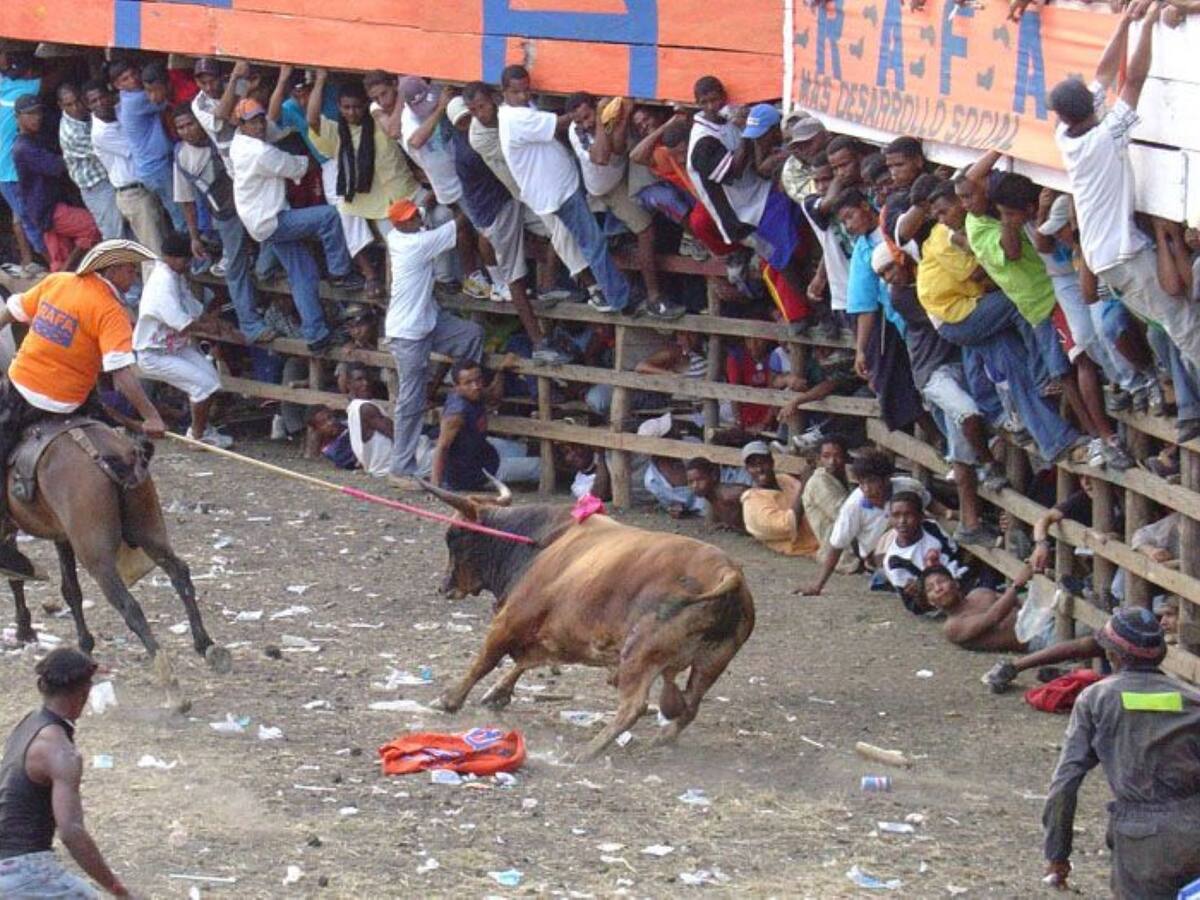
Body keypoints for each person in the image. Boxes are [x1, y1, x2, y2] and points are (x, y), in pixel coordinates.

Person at [0, 238, 166, 575]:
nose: (133, 276)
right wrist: (150, 416)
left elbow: (12, 312)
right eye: (130, 270)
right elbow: (122, 374)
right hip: (71, 401)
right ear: (112, 271)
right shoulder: (111, 311)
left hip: (24, 390)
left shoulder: (57, 281)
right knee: (117, 445)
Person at [1051, 2, 1200, 373]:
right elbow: (1133, 80)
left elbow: (1103, 74)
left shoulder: (1066, 134)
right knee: (1182, 325)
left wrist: (1124, 25)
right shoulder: (1104, 139)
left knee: (1179, 320)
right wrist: (1146, 24)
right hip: (1121, 256)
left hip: (1108, 252)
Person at [1041, 606, 1200, 897]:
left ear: (1112, 655)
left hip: (1141, 838)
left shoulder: (1096, 699)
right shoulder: (1193, 699)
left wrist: (1057, 853)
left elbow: (1065, 784)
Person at [229, 97, 363, 352]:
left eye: (260, 120)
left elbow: (275, 130)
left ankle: (315, 335)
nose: (259, 126)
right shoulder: (260, 152)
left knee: (303, 274)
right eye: (252, 122)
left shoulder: (238, 143)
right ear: (241, 125)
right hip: (273, 220)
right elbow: (297, 167)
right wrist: (317, 155)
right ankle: (340, 273)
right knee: (329, 216)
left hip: (261, 221)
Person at [0, 647, 136, 898]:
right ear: (84, 693)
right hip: (22, 868)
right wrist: (118, 889)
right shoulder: (61, 752)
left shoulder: (28, 723)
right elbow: (71, 832)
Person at [497, 65, 632, 314]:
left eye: (527, 90)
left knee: (592, 237)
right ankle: (619, 298)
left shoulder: (522, 109)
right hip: (559, 193)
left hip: (565, 184)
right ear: (504, 91)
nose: (524, 96)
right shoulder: (515, 118)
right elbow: (559, 123)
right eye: (517, 92)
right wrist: (590, 112)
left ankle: (614, 288)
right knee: (593, 243)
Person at [687, 76, 811, 320]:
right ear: (698, 104)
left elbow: (759, 166)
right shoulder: (702, 141)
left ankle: (806, 307)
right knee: (779, 255)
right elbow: (732, 172)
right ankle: (804, 313)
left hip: (761, 196)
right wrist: (747, 132)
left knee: (797, 236)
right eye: (705, 102)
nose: (712, 106)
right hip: (741, 215)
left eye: (715, 99)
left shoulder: (728, 119)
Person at [382, 199, 483, 490]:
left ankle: (458, 394)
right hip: (408, 333)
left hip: (428, 319)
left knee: (471, 334)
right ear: (399, 224)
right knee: (411, 401)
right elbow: (459, 224)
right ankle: (400, 468)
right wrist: (466, 198)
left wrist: (430, 196)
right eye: (410, 218)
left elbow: (424, 209)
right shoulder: (415, 244)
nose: (417, 218)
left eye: (416, 214)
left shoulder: (403, 232)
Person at [565, 94, 682, 320]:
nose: (585, 124)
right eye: (580, 120)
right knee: (645, 229)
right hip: (607, 188)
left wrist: (625, 113)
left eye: (587, 117)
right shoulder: (576, 132)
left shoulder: (612, 113)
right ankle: (654, 298)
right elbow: (601, 156)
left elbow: (619, 148)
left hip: (623, 170)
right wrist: (600, 120)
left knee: (660, 192)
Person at [309, 68, 419, 298]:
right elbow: (312, 120)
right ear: (339, 107)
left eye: (357, 107)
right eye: (346, 107)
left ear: (366, 104)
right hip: (361, 196)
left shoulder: (379, 120)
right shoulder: (337, 132)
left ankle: (400, 293)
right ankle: (370, 276)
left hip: (396, 194)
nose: (352, 112)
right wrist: (320, 81)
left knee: (400, 251)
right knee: (344, 211)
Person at [171, 103, 275, 343]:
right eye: (181, 128)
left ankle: (263, 271)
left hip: (255, 204)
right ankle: (251, 325)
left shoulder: (223, 138)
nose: (187, 131)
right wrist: (194, 237)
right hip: (226, 214)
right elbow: (186, 201)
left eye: (190, 124)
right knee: (235, 269)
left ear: (200, 122)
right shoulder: (182, 156)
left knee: (268, 259)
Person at [132, 231, 231, 448]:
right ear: (175, 258)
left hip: (174, 347)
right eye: (186, 260)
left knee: (212, 381)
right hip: (154, 353)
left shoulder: (175, 276)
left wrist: (213, 322)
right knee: (202, 387)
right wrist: (208, 328)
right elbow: (180, 322)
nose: (188, 264)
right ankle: (197, 437)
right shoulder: (162, 282)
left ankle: (202, 429)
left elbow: (193, 307)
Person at [800, 451, 929, 595]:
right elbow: (837, 545)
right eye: (861, 483)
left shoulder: (908, 486)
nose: (866, 489)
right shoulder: (853, 506)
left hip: (914, 542)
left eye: (871, 481)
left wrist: (947, 513)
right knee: (898, 530)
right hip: (879, 554)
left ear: (887, 479)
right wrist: (818, 586)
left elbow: (929, 503)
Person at [11, 94, 100, 272]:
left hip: (47, 209)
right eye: (30, 114)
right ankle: (68, 271)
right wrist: (74, 151)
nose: (36, 117)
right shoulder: (24, 147)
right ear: (18, 117)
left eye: (38, 112)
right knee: (92, 226)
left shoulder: (35, 139)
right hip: (49, 210)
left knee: (59, 260)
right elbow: (56, 166)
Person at [86, 80, 167, 256]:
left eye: (102, 97)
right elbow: (137, 147)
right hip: (132, 194)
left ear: (110, 96)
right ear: (89, 106)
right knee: (154, 253)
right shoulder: (100, 133)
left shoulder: (119, 111)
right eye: (93, 101)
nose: (100, 103)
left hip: (145, 188)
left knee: (164, 246)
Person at [431, 358, 538, 491]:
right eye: (468, 383)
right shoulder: (457, 413)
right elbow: (442, 448)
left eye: (478, 380)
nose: (475, 386)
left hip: (485, 453)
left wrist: (501, 371)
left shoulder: (474, 393)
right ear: (457, 387)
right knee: (539, 467)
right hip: (477, 473)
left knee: (527, 449)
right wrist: (435, 487)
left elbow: (494, 396)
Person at [110, 60, 186, 233]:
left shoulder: (126, 97)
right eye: (125, 79)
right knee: (179, 211)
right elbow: (165, 97)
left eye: (133, 74)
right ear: (117, 85)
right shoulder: (136, 100)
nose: (133, 80)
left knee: (174, 209)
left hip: (150, 168)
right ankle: (191, 246)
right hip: (156, 167)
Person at [875, 492, 967, 614]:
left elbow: (953, 553)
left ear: (921, 516)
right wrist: (920, 592)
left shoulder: (931, 527)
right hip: (932, 601)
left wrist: (954, 578)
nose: (902, 521)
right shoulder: (894, 561)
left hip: (956, 579)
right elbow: (913, 604)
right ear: (890, 518)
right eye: (896, 516)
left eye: (908, 515)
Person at [56, 83, 122, 241]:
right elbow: (108, 147)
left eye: (77, 101)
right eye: (69, 105)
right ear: (61, 106)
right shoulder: (71, 133)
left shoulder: (86, 115)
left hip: (109, 179)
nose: (76, 107)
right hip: (97, 188)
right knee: (115, 236)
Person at [0, 50, 46, 275]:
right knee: (30, 218)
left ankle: (28, 262)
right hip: (11, 171)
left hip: (4, 169)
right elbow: (55, 78)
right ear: (29, 72)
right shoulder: (26, 89)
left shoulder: (5, 85)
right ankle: (51, 262)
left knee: (19, 217)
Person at [739, 441, 819, 556]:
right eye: (753, 466)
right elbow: (787, 526)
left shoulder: (784, 479)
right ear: (747, 469)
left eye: (763, 463)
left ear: (772, 462)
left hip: (819, 536)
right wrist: (804, 486)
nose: (759, 469)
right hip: (805, 547)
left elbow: (811, 499)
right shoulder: (752, 502)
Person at [801, 435, 850, 553]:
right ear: (819, 459)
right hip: (840, 553)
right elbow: (843, 516)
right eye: (826, 456)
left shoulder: (836, 478)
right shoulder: (819, 482)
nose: (832, 461)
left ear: (845, 458)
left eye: (837, 456)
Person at [684, 457, 746, 530]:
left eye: (700, 479)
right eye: (691, 481)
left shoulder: (728, 495)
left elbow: (752, 495)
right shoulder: (711, 498)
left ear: (714, 476)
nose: (695, 485)